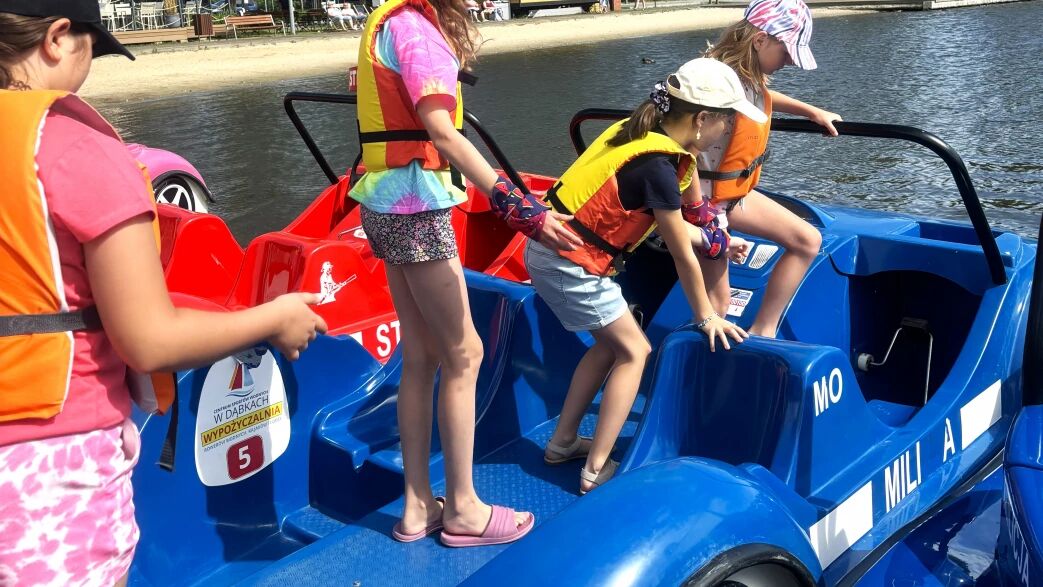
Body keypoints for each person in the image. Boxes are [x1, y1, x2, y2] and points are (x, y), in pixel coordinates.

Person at [0, 2, 326, 584]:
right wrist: (275, 319)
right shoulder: (74, 147)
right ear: (57, 38)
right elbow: (148, 340)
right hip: (49, 463)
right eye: (92, 50)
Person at [350, 0, 581, 546]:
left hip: (382, 202)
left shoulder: (390, 22)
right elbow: (443, 132)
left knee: (421, 354)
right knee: (465, 353)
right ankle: (463, 509)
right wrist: (520, 207)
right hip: (416, 208)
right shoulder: (417, 32)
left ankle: (416, 506)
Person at [530, 58, 754, 494]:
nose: (728, 129)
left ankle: (562, 444)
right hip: (570, 263)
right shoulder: (658, 168)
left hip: (550, 252)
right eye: (726, 119)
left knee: (608, 346)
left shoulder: (638, 135)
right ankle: (596, 472)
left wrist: (721, 242)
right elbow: (681, 253)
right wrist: (707, 316)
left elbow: (683, 223)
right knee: (636, 351)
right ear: (701, 119)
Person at [699, 0, 841, 338]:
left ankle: (764, 330)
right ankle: (695, 356)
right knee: (717, 306)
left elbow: (761, 96)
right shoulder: (710, 81)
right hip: (700, 205)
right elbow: (681, 151)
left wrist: (811, 111)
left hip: (729, 196)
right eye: (787, 52)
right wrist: (701, 219)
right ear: (760, 40)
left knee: (806, 240)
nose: (790, 61)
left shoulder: (741, 77)